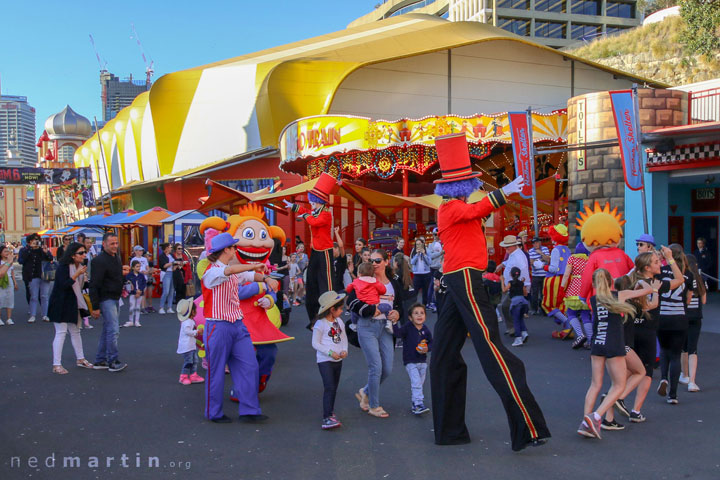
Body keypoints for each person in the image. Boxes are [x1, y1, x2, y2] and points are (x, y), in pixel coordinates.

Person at [429, 133, 549, 450]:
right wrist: (504, 192)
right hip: (464, 278)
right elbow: (475, 211)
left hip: (458, 278)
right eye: (470, 180)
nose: (474, 185)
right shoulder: (450, 208)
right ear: (459, 185)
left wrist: (500, 195)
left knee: (443, 353)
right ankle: (529, 426)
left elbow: (477, 212)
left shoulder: (455, 207)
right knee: (491, 347)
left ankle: (449, 431)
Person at [201, 232, 269, 423]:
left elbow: (246, 275)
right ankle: (213, 412)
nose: (235, 250)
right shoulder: (212, 272)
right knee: (216, 372)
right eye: (233, 247)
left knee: (250, 366)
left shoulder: (230, 269)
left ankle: (249, 410)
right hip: (218, 326)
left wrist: (265, 279)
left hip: (237, 325)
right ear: (226, 250)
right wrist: (254, 265)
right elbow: (231, 272)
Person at [576, 269, 652, 439]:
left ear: (594, 284)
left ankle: (585, 421)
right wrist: (641, 282)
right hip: (613, 343)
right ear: (611, 281)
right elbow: (648, 290)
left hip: (597, 343)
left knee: (595, 385)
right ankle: (595, 417)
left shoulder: (594, 300)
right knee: (619, 385)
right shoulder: (619, 295)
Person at [616, 249, 682, 422]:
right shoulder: (654, 285)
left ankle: (613, 399)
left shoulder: (631, 281)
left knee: (630, 370)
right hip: (646, 332)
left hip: (629, 332)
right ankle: (632, 408)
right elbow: (680, 280)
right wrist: (670, 259)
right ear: (647, 267)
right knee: (645, 372)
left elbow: (679, 281)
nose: (660, 264)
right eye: (656, 262)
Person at [346, 249, 404, 419]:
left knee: (387, 369)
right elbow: (350, 302)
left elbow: (400, 304)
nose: (374, 263)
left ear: (386, 262)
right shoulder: (362, 280)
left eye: (378, 260)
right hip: (367, 326)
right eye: (371, 260)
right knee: (376, 367)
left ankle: (365, 392)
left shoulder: (394, 283)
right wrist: (371, 310)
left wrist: (398, 313)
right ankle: (374, 405)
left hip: (386, 328)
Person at [602, 275, 658, 431]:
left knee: (617, 382)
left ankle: (609, 418)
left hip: (613, 344)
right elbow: (653, 303)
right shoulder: (632, 304)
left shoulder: (612, 301)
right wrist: (652, 288)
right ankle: (618, 399)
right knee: (641, 371)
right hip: (625, 346)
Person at [284, 173, 340, 328]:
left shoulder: (326, 214)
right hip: (315, 251)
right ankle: (315, 319)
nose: (311, 205)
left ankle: (330, 315)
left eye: (313, 202)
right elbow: (307, 212)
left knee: (327, 285)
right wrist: (294, 207)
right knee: (313, 284)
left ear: (320, 202)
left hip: (325, 252)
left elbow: (314, 221)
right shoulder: (316, 210)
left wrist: (304, 214)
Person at [47, 242, 94, 374]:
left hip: (74, 303)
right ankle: (56, 364)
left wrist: (83, 277)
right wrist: (76, 275)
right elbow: (63, 285)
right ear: (73, 255)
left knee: (75, 331)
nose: (84, 255)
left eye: (85, 252)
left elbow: (81, 287)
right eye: (81, 253)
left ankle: (80, 358)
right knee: (61, 332)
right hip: (60, 303)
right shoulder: (64, 267)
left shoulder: (81, 267)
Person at [89, 233, 129, 373]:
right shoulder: (99, 261)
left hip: (115, 297)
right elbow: (94, 284)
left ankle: (100, 360)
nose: (115, 246)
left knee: (108, 329)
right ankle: (113, 361)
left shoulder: (116, 258)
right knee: (113, 330)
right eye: (112, 243)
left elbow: (116, 276)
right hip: (106, 298)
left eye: (116, 243)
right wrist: (95, 306)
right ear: (104, 244)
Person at [656, 244, 690, 404]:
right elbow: (689, 299)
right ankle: (673, 395)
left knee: (664, 350)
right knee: (676, 355)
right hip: (679, 318)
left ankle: (663, 378)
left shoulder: (660, 273)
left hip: (662, 317)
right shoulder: (687, 274)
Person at [311, 291, 348, 430]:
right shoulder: (320, 324)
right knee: (329, 387)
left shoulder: (339, 322)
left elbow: (343, 338)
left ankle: (331, 412)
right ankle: (326, 417)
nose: (342, 311)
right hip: (324, 360)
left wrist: (344, 350)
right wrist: (330, 352)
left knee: (334, 387)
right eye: (340, 308)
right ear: (332, 309)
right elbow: (315, 343)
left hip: (338, 360)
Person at [392, 303, 432, 415]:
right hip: (410, 361)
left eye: (422, 313)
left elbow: (432, 342)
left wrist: (427, 348)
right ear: (410, 317)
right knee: (416, 383)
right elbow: (398, 333)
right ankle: (418, 404)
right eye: (416, 313)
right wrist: (394, 323)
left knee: (420, 383)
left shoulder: (425, 329)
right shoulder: (408, 327)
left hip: (422, 361)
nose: (419, 316)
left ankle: (415, 403)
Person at [538, 224, 571, 338]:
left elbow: (554, 268)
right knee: (561, 303)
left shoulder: (556, 250)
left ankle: (567, 323)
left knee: (548, 304)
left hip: (555, 279)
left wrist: (542, 266)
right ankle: (566, 329)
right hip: (566, 279)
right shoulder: (567, 249)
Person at [680, 254, 706, 392]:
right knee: (693, 348)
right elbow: (704, 300)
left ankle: (684, 374)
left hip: (683, 315)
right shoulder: (701, 279)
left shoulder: (683, 278)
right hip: (696, 317)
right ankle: (692, 381)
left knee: (683, 347)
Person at [561, 242, 592, 349]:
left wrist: (562, 287)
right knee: (585, 315)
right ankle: (590, 339)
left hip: (574, 288)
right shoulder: (589, 260)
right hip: (586, 288)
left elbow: (566, 274)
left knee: (570, 312)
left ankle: (580, 335)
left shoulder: (572, 259)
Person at [498, 235, 530, 336]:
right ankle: (518, 329)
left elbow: (524, 272)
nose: (506, 248)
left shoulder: (518, 256)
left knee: (508, 307)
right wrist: (502, 264)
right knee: (513, 309)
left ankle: (515, 329)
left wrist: (523, 287)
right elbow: (509, 262)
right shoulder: (514, 254)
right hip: (515, 287)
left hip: (516, 288)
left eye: (508, 246)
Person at [19, 234, 53, 323]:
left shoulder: (42, 250)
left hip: (44, 276)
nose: (36, 242)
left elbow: (50, 259)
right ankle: (32, 315)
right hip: (32, 275)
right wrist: (30, 248)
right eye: (34, 240)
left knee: (44, 296)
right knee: (33, 296)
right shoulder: (24, 250)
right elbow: (21, 261)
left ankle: (45, 315)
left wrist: (46, 252)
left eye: (37, 240)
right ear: (29, 241)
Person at [346, 262, 391, 331]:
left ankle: (354, 324)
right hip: (376, 306)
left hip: (363, 307)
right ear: (373, 274)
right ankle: (389, 322)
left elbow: (348, 289)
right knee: (388, 307)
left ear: (359, 273)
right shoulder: (375, 281)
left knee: (353, 311)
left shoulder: (356, 281)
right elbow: (383, 290)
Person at [176, 298, 204, 385]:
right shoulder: (187, 322)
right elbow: (187, 332)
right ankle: (183, 376)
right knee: (188, 362)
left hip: (191, 346)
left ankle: (193, 375)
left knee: (195, 360)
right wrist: (197, 332)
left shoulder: (190, 321)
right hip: (186, 347)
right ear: (192, 312)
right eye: (195, 310)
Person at [503, 266, 530, 347]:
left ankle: (518, 338)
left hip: (516, 303)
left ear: (511, 274)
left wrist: (502, 281)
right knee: (520, 318)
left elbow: (504, 290)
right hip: (524, 303)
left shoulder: (510, 283)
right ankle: (524, 332)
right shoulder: (522, 283)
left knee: (516, 320)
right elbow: (525, 294)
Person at [528, 237, 550, 314]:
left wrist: (540, 253)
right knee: (534, 293)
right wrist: (541, 260)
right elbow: (531, 262)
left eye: (536, 242)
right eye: (533, 243)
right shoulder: (530, 251)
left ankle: (543, 309)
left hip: (544, 275)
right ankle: (534, 309)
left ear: (540, 242)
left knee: (544, 293)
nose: (535, 244)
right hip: (535, 275)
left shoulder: (545, 249)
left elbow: (548, 259)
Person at [410, 238, 432, 311]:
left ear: (423, 244)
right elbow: (412, 262)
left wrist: (424, 254)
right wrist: (417, 254)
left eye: (419, 244)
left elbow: (429, 263)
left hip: (426, 274)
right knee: (415, 291)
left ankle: (424, 307)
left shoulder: (427, 250)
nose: (418, 246)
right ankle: (413, 307)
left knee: (425, 292)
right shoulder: (414, 251)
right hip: (417, 275)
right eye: (417, 244)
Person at [123, 259, 146, 328]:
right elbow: (128, 285)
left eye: (139, 266)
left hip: (140, 293)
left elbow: (143, 283)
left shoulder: (141, 275)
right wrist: (135, 291)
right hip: (133, 294)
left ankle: (137, 321)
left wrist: (140, 290)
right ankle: (130, 321)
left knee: (138, 307)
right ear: (133, 267)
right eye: (137, 266)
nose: (138, 268)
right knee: (132, 307)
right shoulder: (129, 275)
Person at [0, 245, 18, 326]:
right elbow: (1, 272)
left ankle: (9, 318)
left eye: (8, 251)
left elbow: (12, 272)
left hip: (9, 280)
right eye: (5, 251)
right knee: (1, 298)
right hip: (1, 281)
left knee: (10, 298)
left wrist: (15, 282)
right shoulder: (3, 262)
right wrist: (7, 262)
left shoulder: (9, 261)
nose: (7, 253)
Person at [427, 228, 443, 312]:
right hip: (434, 267)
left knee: (442, 286)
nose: (436, 236)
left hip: (442, 268)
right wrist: (440, 253)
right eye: (435, 234)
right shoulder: (430, 245)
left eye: (438, 234)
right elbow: (431, 256)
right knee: (433, 286)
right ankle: (431, 303)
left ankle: (438, 302)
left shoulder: (444, 243)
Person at [158, 243, 175, 314]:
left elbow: (173, 266)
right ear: (166, 248)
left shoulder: (171, 256)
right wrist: (172, 263)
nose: (171, 248)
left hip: (172, 272)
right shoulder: (162, 256)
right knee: (166, 291)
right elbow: (164, 266)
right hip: (166, 273)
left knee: (172, 291)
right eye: (170, 247)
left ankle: (169, 307)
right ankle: (161, 307)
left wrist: (177, 265)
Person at [332, 227, 348, 294]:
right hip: (331, 288)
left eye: (332, 249)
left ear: (336, 248)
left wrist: (336, 233)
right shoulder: (330, 259)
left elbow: (341, 246)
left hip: (339, 288)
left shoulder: (341, 258)